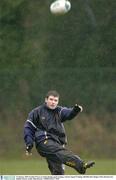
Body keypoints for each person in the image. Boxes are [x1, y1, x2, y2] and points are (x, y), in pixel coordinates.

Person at [24, 90, 95, 175]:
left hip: (58, 144)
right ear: (46, 100)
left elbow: (68, 113)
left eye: (55, 100)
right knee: (59, 151)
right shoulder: (36, 112)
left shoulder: (59, 111)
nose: (53, 102)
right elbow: (28, 128)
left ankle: (78, 167)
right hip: (44, 141)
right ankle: (81, 165)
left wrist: (75, 111)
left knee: (58, 173)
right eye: (51, 99)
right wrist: (29, 143)